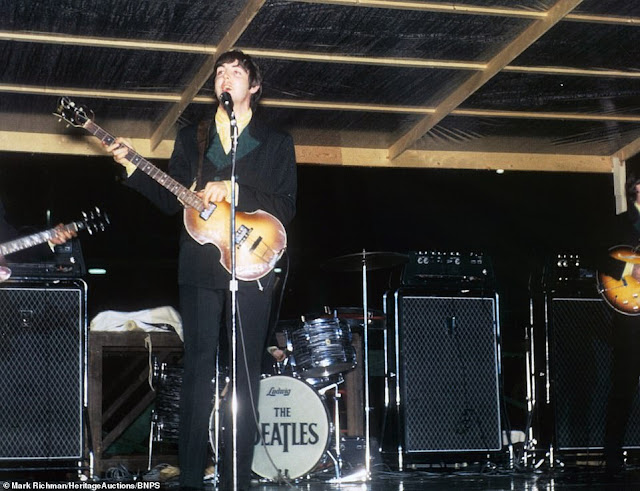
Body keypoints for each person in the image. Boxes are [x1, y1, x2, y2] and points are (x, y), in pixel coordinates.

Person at [105, 50, 297, 490]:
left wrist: (236, 188)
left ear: (253, 88)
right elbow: (170, 198)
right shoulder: (193, 137)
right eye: (220, 72)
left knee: (246, 378)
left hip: (251, 266)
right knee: (197, 374)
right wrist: (133, 168)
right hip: (198, 268)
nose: (224, 78)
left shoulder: (277, 142)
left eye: (236, 72)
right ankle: (191, 479)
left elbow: (286, 205)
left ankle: (237, 480)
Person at [599, 171, 640, 474]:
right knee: (624, 386)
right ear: (637, 188)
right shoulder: (619, 222)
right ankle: (612, 455)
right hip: (629, 318)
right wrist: (630, 269)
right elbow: (597, 256)